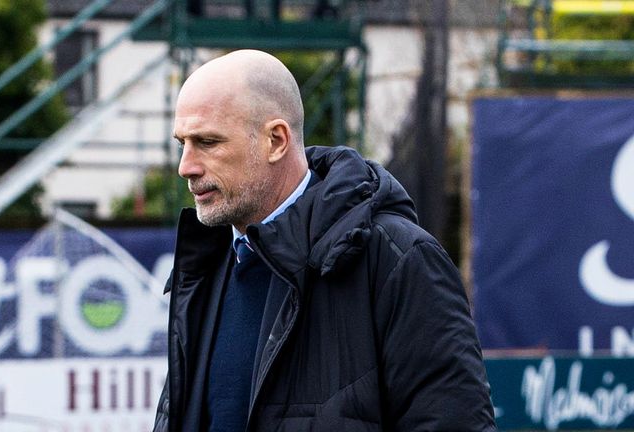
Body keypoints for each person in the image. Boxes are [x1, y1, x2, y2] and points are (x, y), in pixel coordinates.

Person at [153, 49, 496, 432]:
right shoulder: (204, 266)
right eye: (182, 142)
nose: (186, 166)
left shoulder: (397, 259)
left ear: (276, 141)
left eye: (207, 142)